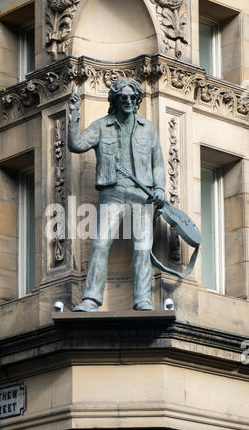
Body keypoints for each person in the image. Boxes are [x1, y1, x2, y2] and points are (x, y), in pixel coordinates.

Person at [68, 78, 166, 311]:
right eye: (123, 97)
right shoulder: (102, 126)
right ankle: (91, 298)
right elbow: (76, 144)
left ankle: (143, 299)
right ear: (115, 100)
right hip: (111, 194)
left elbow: (158, 165)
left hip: (140, 196)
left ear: (138, 100)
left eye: (133, 98)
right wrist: (73, 114)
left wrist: (160, 189)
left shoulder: (148, 129)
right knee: (100, 244)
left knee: (142, 248)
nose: (129, 101)